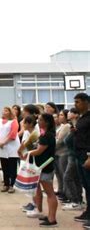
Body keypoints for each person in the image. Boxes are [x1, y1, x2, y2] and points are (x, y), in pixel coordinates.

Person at [26, 113, 58, 228]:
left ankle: (52, 219)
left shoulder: (47, 136)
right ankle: (50, 215)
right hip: (42, 167)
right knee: (48, 193)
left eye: (40, 120)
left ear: (47, 122)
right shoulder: (45, 134)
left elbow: (39, 151)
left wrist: (28, 153)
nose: (38, 121)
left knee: (50, 194)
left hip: (45, 168)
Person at [72, 93, 90, 227]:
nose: (75, 105)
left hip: (87, 155)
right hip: (79, 154)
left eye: (78, 102)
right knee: (86, 186)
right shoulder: (81, 118)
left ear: (86, 102)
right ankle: (88, 212)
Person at [0, 106, 20, 193]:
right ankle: (6, 184)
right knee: (4, 167)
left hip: (11, 146)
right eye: (3, 110)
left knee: (12, 167)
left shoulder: (14, 121)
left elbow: (13, 134)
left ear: (10, 112)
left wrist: (4, 142)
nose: (4, 112)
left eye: (6, 111)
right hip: (1, 146)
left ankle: (12, 185)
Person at [62, 108, 84, 211]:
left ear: (76, 114)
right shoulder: (72, 126)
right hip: (71, 155)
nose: (68, 113)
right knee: (75, 179)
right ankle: (78, 201)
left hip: (75, 156)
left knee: (68, 177)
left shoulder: (78, 126)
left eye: (71, 112)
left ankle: (76, 201)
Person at [54, 109, 71, 203]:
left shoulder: (66, 126)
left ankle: (67, 194)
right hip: (57, 153)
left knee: (64, 174)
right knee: (59, 174)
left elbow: (59, 140)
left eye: (61, 115)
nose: (59, 117)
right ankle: (61, 191)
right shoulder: (61, 126)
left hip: (63, 153)